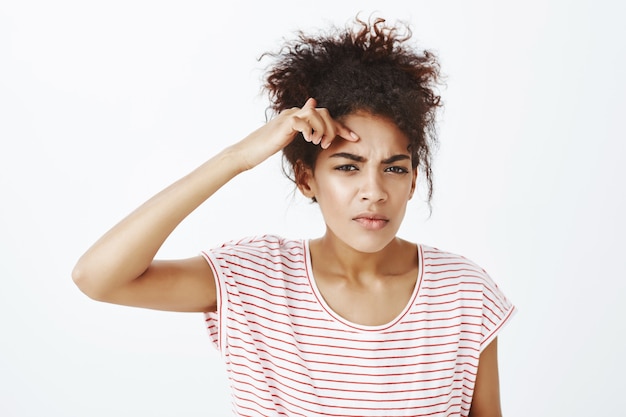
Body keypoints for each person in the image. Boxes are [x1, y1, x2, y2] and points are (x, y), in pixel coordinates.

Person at [73, 16, 515, 417]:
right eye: (347, 166)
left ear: (413, 181)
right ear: (307, 180)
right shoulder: (256, 279)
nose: (375, 192)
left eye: (394, 168)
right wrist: (238, 157)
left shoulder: (464, 293)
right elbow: (97, 277)